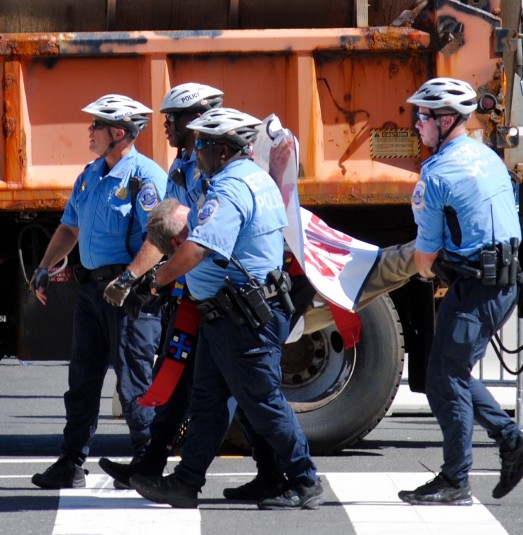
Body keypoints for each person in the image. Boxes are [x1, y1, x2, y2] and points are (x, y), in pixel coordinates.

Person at [127, 107, 324, 510]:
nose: (195, 151)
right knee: (208, 402)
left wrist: (155, 279)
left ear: (221, 150)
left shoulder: (229, 189)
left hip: (242, 319)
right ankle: (186, 482)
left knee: (263, 402)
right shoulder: (253, 179)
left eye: (201, 144)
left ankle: (304, 480)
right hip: (227, 315)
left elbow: (200, 248)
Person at [397, 78, 523, 506]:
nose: (417, 125)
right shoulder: (487, 156)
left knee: (445, 380)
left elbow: (424, 261)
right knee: (450, 375)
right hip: (503, 283)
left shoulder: (436, 174)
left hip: (475, 289)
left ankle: (458, 480)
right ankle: (511, 442)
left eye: (422, 116)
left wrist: (429, 270)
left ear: (445, 121)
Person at [29, 94, 167, 489]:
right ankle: (71, 463)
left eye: (96, 125)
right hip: (91, 293)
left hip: (128, 294)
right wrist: (43, 267)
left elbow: (159, 238)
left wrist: (127, 281)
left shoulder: (145, 178)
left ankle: (146, 465)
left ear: (118, 133)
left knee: (135, 382)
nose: (89, 131)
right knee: (83, 380)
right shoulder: (90, 174)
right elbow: (69, 228)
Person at [99, 83, 225, 490]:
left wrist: (153, 279)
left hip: (219, 295)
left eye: (172, 119)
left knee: (228, 393)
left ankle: (285, 473)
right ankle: (148, 466)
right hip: (187, 294)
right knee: (171, 381)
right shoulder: (180, 168)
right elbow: (164, 233)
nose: (165, 127)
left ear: (195, 122)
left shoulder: (217, 171)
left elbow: (200, 240)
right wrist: (134, 280)